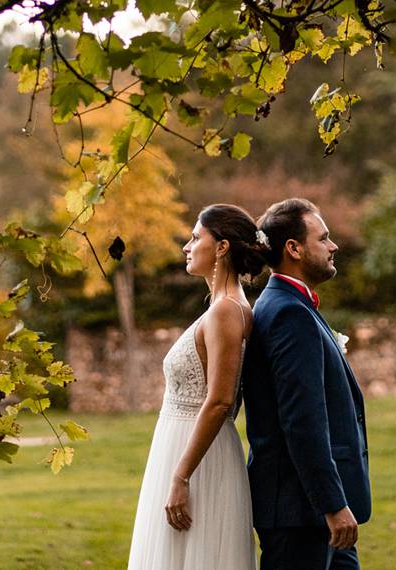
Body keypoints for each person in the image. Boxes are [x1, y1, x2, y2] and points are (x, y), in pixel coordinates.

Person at [127, 204, 265, 570]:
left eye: (194, 238)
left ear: (221, 247)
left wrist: (180, 475)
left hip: (199, 460)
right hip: (182, 447)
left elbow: (220, 400)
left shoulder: (226, 311)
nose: (187, 247)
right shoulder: (222, 307)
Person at [243, 197, 371, 570]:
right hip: (301, 513)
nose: (334, 246)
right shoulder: (286, 314)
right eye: (324, 238)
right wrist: (331, 505)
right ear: (294, 249)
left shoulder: (292, 307)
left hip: (313, 512)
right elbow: (302, 422)